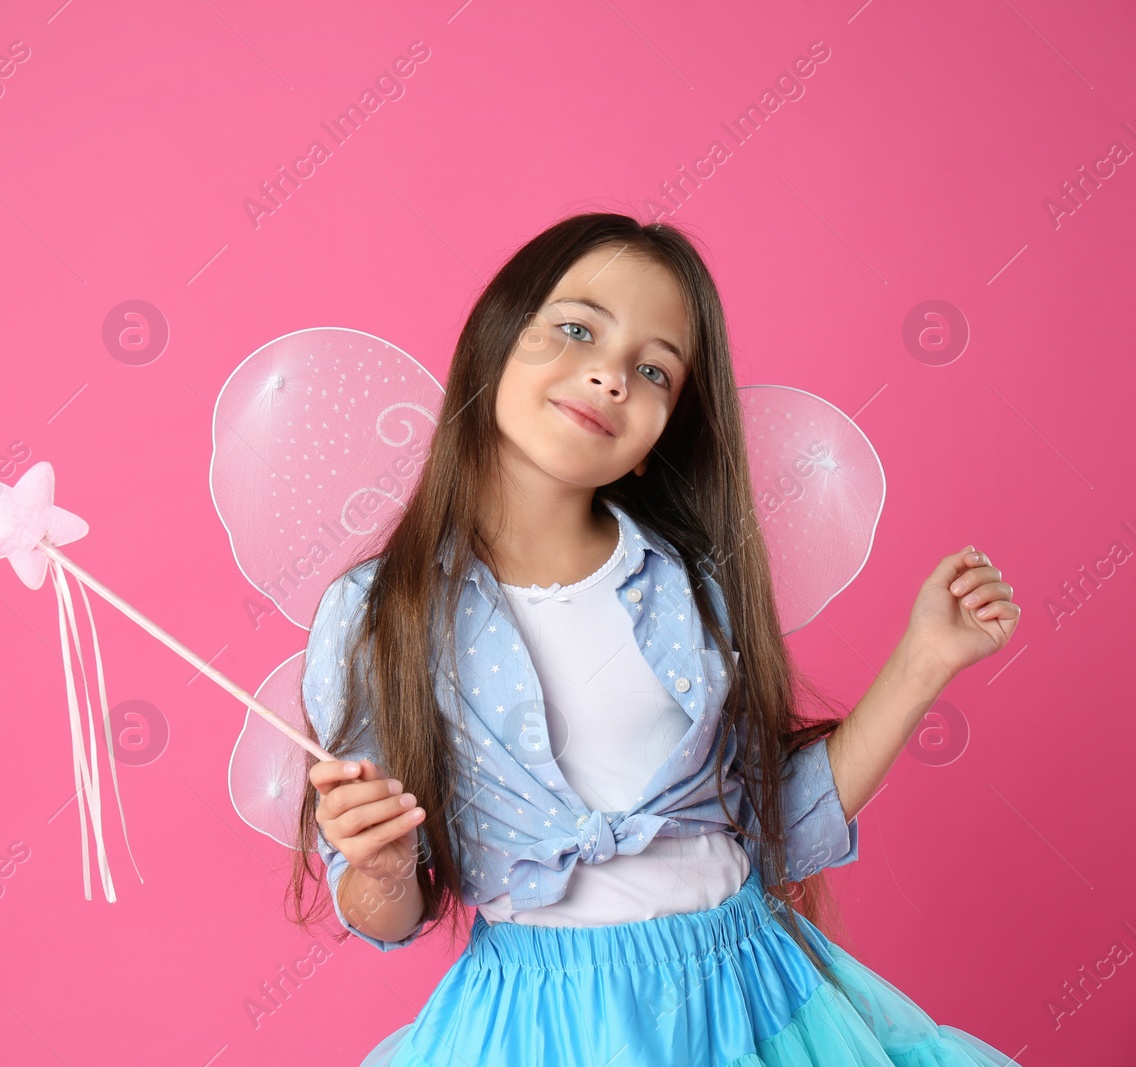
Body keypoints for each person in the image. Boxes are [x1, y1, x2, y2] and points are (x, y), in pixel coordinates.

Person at [291, 212, 1022, 1066]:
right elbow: (390, 914)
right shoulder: (383, 612)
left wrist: (924, 659)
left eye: (652, 370)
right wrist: (377, 867)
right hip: (535, 1026)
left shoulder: (688, 585)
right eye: (574, 329)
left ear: (655, 442)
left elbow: (777, 826)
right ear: (494, 342)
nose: (607, 376)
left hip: (747, 1002)